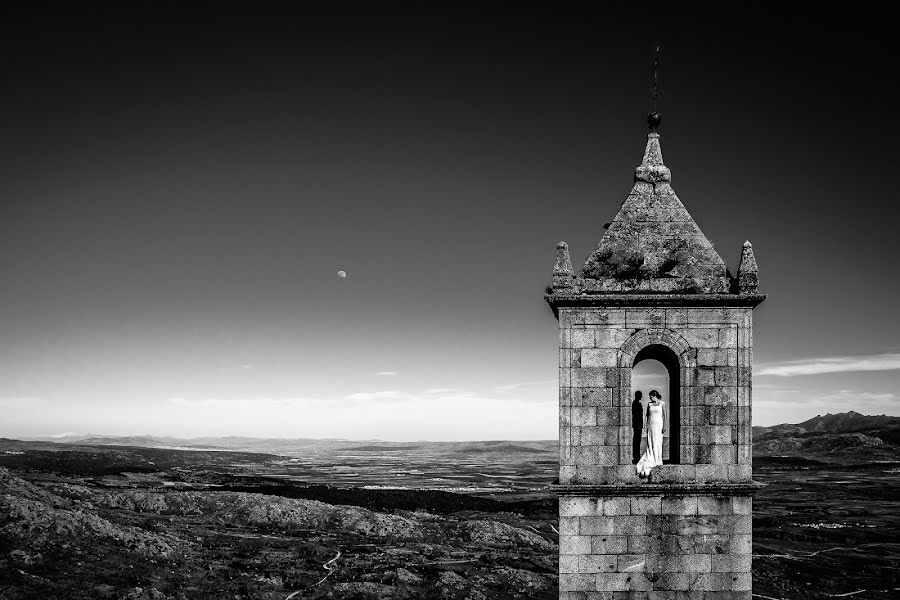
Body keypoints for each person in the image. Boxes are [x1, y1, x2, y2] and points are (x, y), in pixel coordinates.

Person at [636, 389, 666, 478]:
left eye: (651, 396)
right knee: (651, 442)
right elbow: (647, 416)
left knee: (657, 442)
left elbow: (664, 415)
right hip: (651, 425)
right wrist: (645, 426)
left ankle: (657, 459)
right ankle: (651, 457)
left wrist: (665, 426)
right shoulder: (649, 404)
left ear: (655, 395)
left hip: (659, 425)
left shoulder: (662, 404)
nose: (650, 398)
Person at [631, 391, 643, 464]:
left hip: (638, 425)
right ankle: (636, 457)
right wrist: (638, 425)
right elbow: (636, 415)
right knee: (636, 441)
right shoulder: (635, 403)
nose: (641, 397)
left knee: (637, 441)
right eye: (640, 395)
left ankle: (637, 457)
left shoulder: (638, 403)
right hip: (637, 425)